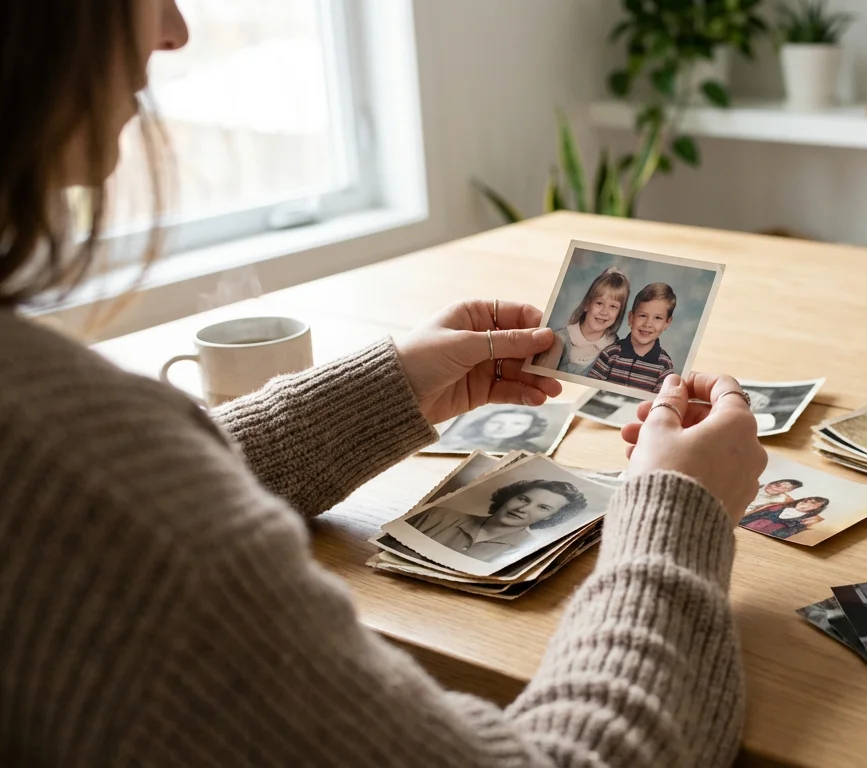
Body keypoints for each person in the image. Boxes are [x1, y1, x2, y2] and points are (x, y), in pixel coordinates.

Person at [0, 3, 769, 764]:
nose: (176, 29)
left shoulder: (69, 460)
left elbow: (133, 501)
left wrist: (383, 393)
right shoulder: (75, 473)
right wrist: (678, 516)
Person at [407, 479, 588, 562]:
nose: (523, 509)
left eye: (543, 508)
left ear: (550, 517)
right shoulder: (436, 516)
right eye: (523, 499)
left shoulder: (531, 552)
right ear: (509, 497)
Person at [532, 267, 630, 376]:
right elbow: (539, 379)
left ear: (619, 313)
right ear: (587, 304)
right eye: (599, 303)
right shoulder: (560, 340)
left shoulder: (616, 348)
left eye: (613, 306)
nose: (604, 312)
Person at [588, 282, 677, 393]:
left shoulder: (664, 364)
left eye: (657, 318)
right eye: (643, 316)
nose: (648, 324)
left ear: (667, 323)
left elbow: (658, 401)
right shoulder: (611, 353)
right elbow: (589, 388)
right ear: (631, 318)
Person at [440, 405, 549, 454]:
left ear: (529, 427)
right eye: (496, 422)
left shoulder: (529, 449)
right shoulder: (455, 443)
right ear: (483, 422)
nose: (504, 428)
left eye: (518, 424)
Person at [739, 496, 829, 538]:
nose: (805, 504)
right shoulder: (778, 507)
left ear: (817, 509)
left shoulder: (805, 521)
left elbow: (786, 534)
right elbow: (753, 516)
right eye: (805, 501)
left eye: (812, 504)